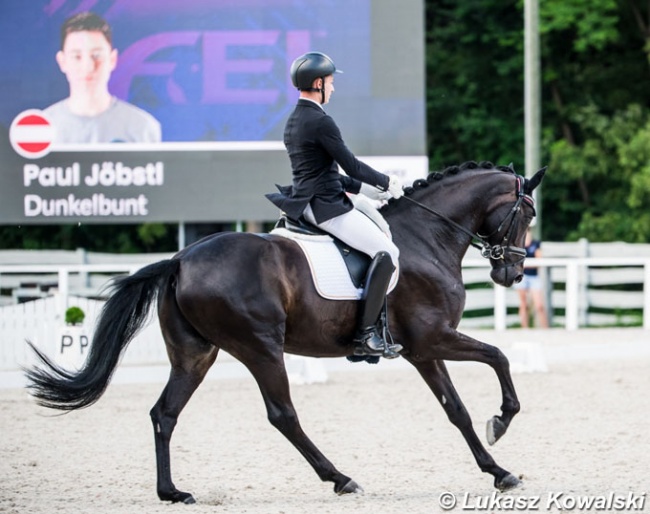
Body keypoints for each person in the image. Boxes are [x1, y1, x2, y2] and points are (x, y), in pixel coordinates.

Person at [267, 51, 403, 359]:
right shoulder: (320, 120)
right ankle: (366, 335)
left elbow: (323, 173)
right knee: (388, 252)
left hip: (306, 202)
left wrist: (365, 193)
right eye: (330, 82)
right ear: (318, 84)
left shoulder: (295, 119)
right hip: (327, 208)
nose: (333, 88)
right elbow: (351, 166)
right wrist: (386, 182)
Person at [44, 12, 161, 144]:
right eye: (77, 56)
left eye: (97, 55)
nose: (88, 67)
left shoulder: (142, 128)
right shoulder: (42, 129)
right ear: (62, 61)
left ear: (112, 59)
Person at [515, 228, 549, 328]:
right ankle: (524, 328)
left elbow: (539, 261)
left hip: (534, 277)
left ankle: (545, 328)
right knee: (524, 305)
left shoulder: (536, 244)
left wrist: (524, 265)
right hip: (522, 277)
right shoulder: (518, 246)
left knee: (539, 306)